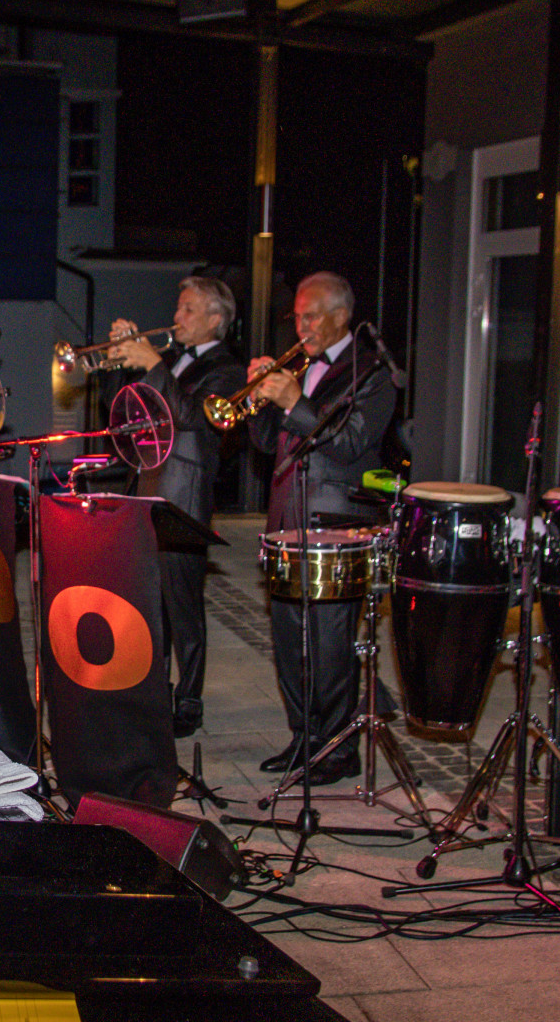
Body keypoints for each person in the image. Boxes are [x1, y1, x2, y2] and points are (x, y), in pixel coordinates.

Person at [247, 271, 396, 786]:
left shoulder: (372, 372)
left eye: (311, 316)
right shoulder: (302, 368)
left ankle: (337, 749)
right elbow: (267, 443)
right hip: (287, 519)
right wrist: (261, 401)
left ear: (341, 316)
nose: (302, 327)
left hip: (336, 525)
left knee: (330, 644)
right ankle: (304, 739)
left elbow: (351, 442)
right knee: (289, 639)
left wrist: (294, 402)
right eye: (297, 317)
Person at [109, 276, 246, 738]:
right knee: (149, 601)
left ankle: (189, 700)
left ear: (215, 318)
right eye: (179, 307)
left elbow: (189, 416)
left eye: (188, 309)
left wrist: (152, 362)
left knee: (183, 605)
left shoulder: (228, 369)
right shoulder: (172, 362)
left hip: (184, 494)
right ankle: (153, 691)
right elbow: (129, 414)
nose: (176, 317)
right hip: (147, 485)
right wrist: (124, 364)